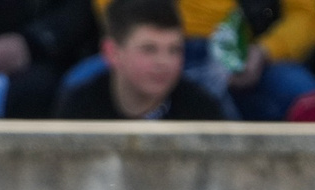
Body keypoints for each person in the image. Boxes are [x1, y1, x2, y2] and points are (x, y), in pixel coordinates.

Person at [52, 0, 227, 117]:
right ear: (112, 52)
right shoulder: (80, 109)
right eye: (149, 49)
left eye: (174, 50)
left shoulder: (201, 111)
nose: (163, 62)